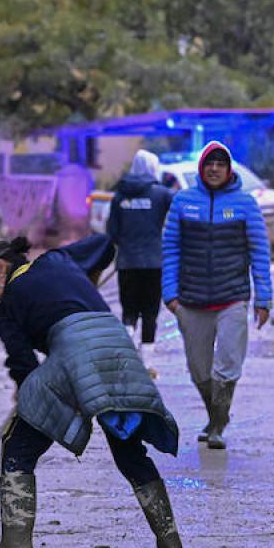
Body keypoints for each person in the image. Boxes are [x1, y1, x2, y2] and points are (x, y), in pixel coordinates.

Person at [0, 234, 184, 548]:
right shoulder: (58, 260)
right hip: (117, 346)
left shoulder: (9, 305)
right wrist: (85, 286)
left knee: (18, 447)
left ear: (0, 268)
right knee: (129, 451)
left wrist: (25, 391)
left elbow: (24, 367)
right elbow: (103, 244)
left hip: (73, 353)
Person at [161, 142, 272, 450]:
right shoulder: (183, 202)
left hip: (232, 298)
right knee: (199, 368)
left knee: (227, 366)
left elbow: (260, 253)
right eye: (209, 164)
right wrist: (171, 296)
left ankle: (219, 425)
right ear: (202, 168)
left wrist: (263, 299)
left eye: (220, 164)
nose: (214, 169)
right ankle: (214, 416)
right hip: (190, 301)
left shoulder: (246, 204)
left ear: (229, 169)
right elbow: (170, 250)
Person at [106, 149, 173, 377]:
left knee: (129, 312)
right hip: (154, 263)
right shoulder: (162, 195)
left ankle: (125, 359)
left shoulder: (119, 197)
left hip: (127, 263)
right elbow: (177, 222)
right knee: (151, 313)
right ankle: (146, 365)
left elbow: (111, 232)